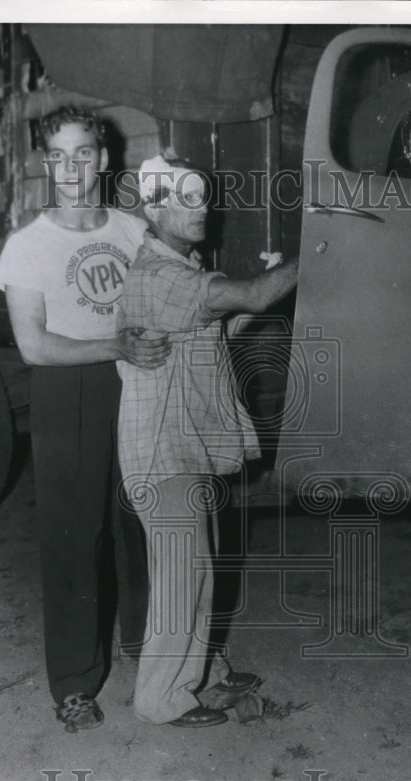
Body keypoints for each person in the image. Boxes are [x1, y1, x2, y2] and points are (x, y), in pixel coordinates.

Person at [0, 107, 170, 733]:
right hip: (68, 392)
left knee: (143, 525)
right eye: (61, 156)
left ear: (103, 157)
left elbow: (166, 299)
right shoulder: (27, 246)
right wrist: (114, 347)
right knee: (74, 539)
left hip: (138, 383)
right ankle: (73, 682)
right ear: (47, 163)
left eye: (85, 153)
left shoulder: (133, 230)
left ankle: (151, 652)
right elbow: (34, 347)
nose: (73, 167)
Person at [116, 154, 299, 728]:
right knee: (180, 580)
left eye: (204, 198)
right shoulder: (158, 274)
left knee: (199, 571)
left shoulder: (179, 265)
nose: (202, 210)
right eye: (187, 200)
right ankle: (159, 699)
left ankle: (205, 676)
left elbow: (218, 325)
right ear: (155, 207)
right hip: (161, 456)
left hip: (183, 448)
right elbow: (253, 297)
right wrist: (317, 254)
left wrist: (252, 298)